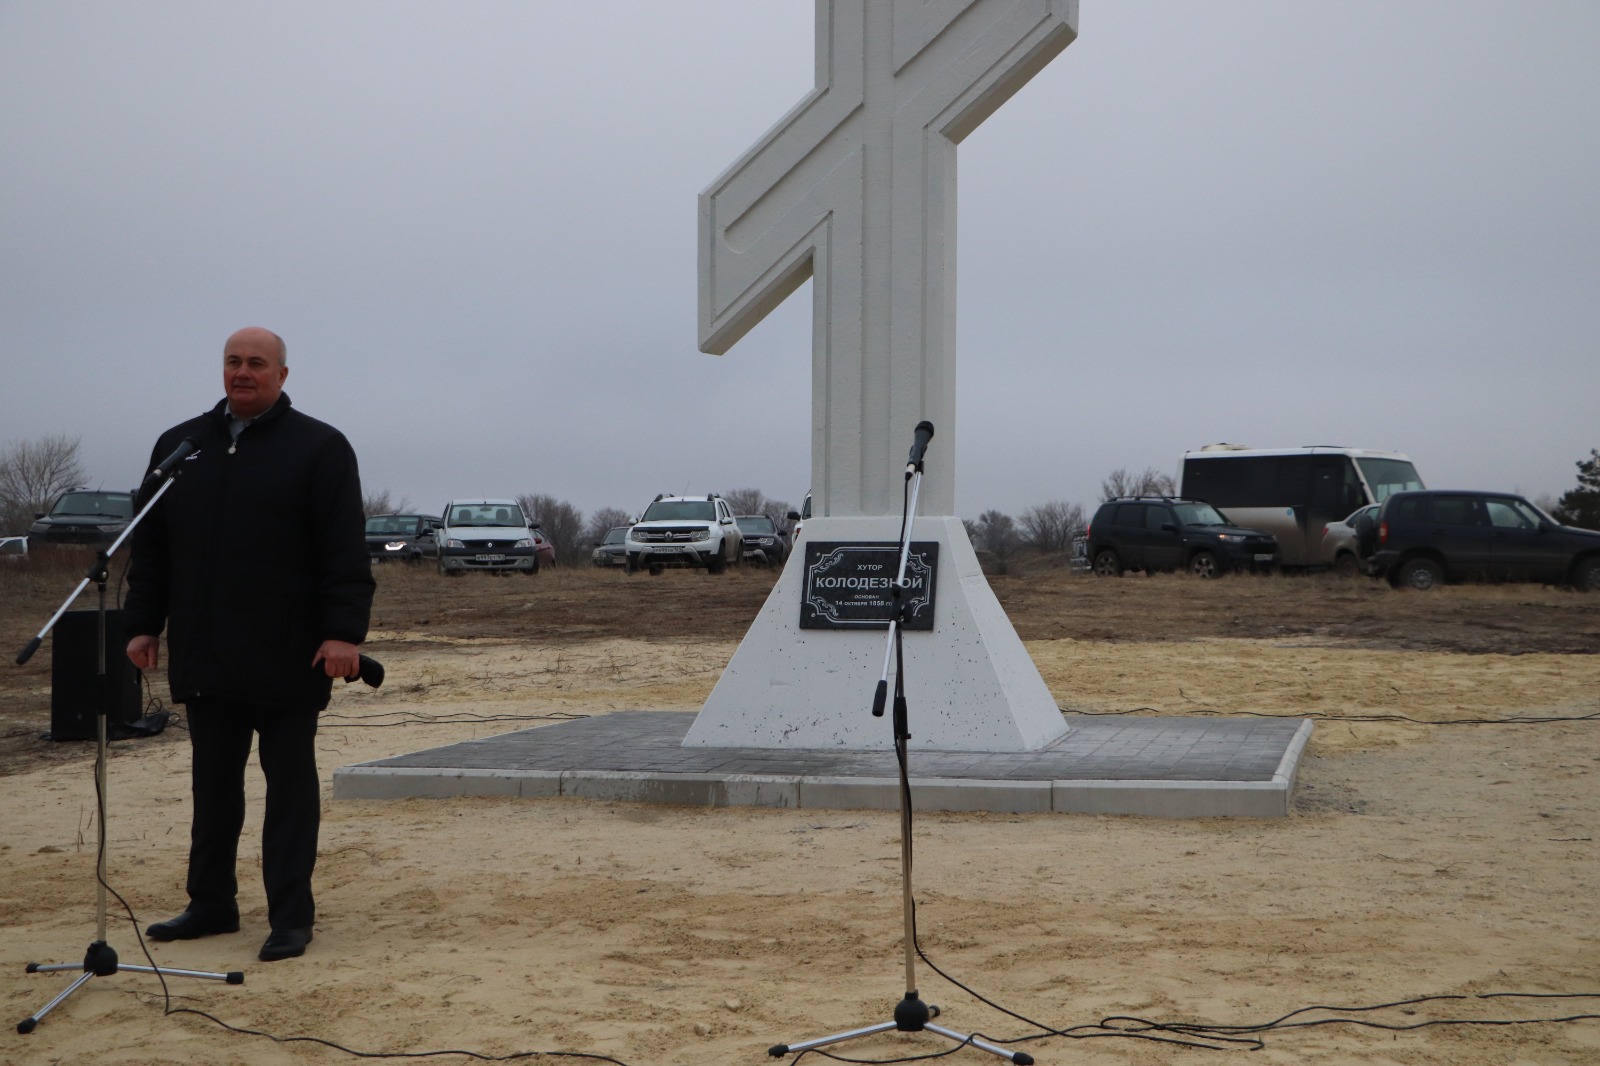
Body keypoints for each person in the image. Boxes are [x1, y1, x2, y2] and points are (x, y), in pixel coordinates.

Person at [124, 326, 374, 962]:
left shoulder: (320, 447)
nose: (242, 372)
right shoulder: (180, 447)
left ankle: (290, 915)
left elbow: (344, 551)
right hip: (207, 650)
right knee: (213, 789)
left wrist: (343, 633)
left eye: (256, 363)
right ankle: (211, 903)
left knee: (288, 791)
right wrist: (142, 623)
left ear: (282, 375)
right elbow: (152, 547)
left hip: (289, 652)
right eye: (233, 361)